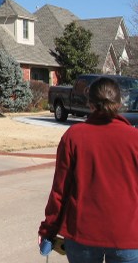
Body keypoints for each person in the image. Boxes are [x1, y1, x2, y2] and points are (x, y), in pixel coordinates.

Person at [38, 76, 138, 262]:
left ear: (90, 103)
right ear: (119, 103)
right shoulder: (134, 138)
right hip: (128, 235)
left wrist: (48, 229)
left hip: (82, 234)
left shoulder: (74, 137)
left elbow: (60, 191)